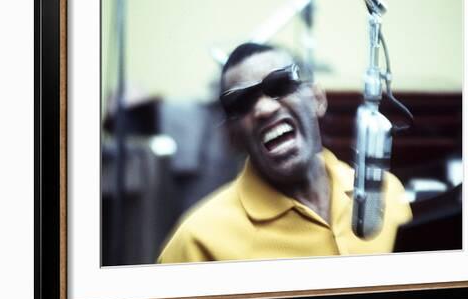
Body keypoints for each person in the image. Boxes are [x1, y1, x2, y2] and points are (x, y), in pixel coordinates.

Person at [157, 43, 412, 263]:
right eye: (242, 103)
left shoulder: (389, 195)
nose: (264, 109)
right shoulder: (197, 240)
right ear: (232, 137)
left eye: (280, 85)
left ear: (317, 99)